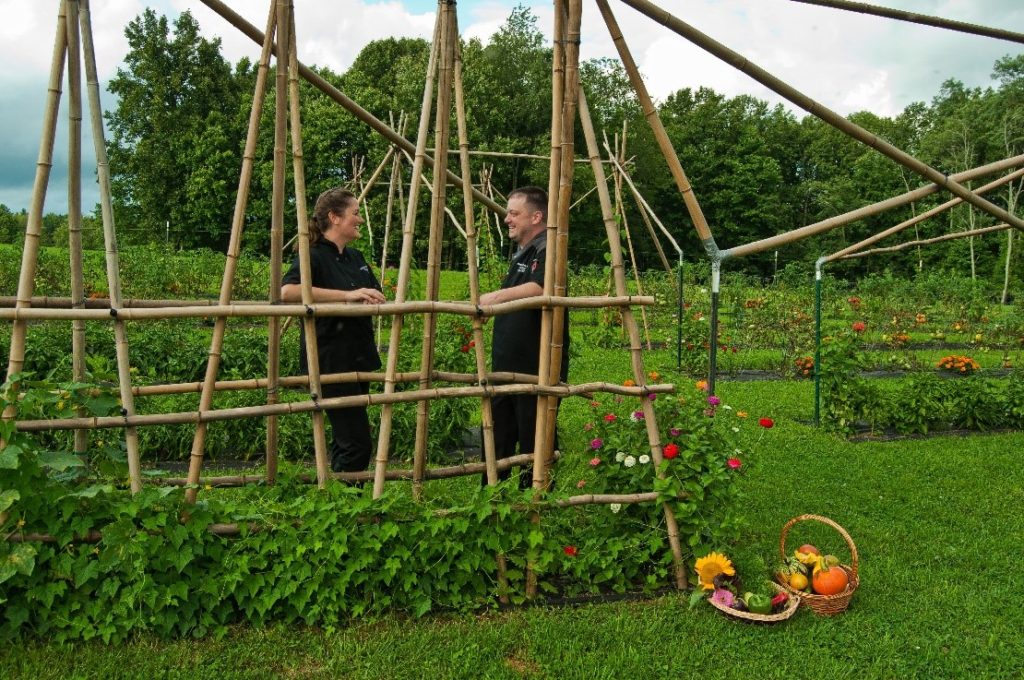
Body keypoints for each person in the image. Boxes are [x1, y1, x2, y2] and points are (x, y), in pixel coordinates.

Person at [281, 187, 386, 474]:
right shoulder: (312, 256)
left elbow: (373, 291)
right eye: (355, 213)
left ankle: (338, 505)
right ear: (334, 217)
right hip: (330, 360)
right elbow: (288, 291)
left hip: (358, 357)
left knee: (346, 439)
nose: (360, 219)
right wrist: (346, 295)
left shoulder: (356, 257)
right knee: (356, 443)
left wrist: (372, 296)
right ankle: (347, 507)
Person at [479, 186, 569, 488]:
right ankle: (493, 501)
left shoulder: (549, 249)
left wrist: (495, 297)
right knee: (498, 439)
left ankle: (537, 506)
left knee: (536, 441)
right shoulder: (525, 251)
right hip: (507, 366)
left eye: (514, 213)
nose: (507, 219)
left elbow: (542, 288)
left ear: (537, 216)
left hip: (535, 367)